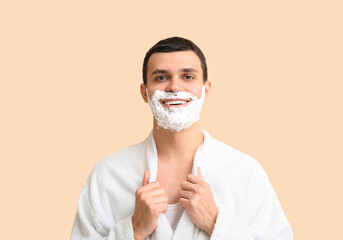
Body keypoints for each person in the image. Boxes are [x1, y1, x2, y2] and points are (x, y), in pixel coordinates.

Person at [71, 37, 293, 240]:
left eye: (188, 77)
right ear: (144, 92)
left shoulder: (244, 172)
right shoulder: (108, 174)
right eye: (161, 77)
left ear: (205, 90)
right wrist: (134, 230)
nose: (174, 87)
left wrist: (216, 223)